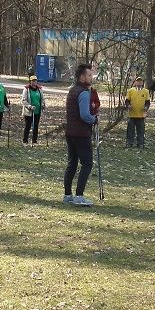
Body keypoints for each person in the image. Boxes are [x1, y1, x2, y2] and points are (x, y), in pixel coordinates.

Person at [63, 63, 97, 206]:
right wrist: (94, 119)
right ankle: (79, 196)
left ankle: (67, 195)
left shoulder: (72, 90)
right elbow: (84, 115)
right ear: (82, 77)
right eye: (89, 75)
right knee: (87, 164)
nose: (91, 77)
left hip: (70, 132)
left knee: (72, 163)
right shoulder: (83, 93)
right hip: (81, 133)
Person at [125, 76, 151, 148]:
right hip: (132, 114)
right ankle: (130, 143)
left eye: (140, 81)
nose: (139, 83)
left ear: (142, 82)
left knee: (141, 130)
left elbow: (148, 102)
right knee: (130, 130)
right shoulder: (130, 91)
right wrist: (128, 106)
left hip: (141, 115)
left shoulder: (146, 91)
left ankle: (140, 143)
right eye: (138, 81)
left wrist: (146, 107)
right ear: (135, 82)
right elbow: (127, 101)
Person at [21, 75, 44, 145]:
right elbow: (23, 100)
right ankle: (25, 141)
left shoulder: (39, 89)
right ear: (30, 81)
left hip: (37, 111)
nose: (34, 82)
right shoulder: (26, 89)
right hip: (29, 111)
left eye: (35, 80)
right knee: (28, 126)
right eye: (33, 80)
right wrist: (29, 106)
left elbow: (42, 99)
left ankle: (34, 141)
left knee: (36, 126)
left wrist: (43, 105)